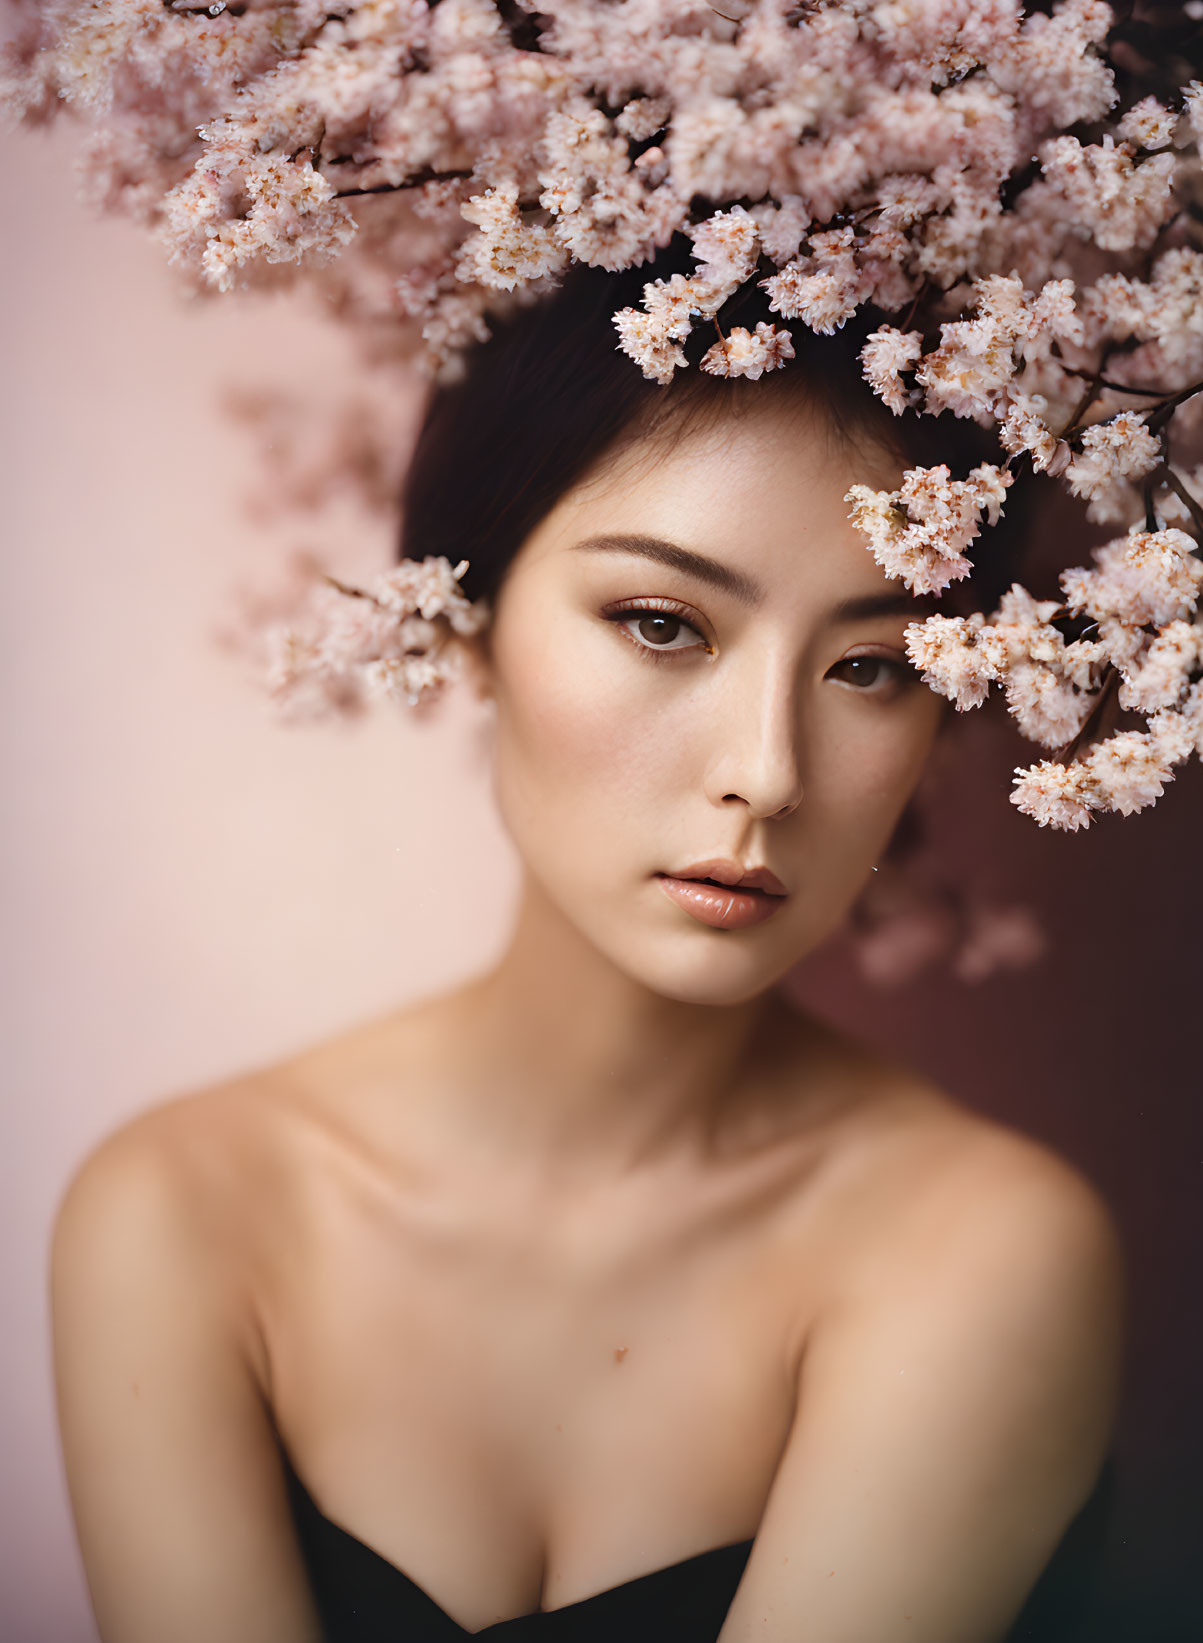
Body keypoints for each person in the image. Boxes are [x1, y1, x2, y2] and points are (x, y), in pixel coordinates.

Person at [49, 250, 1122, 1643]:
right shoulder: (184, 1214)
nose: (767, 772)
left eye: (873, 665)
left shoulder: (979, 1255)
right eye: (661, 624)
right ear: (468, 626)